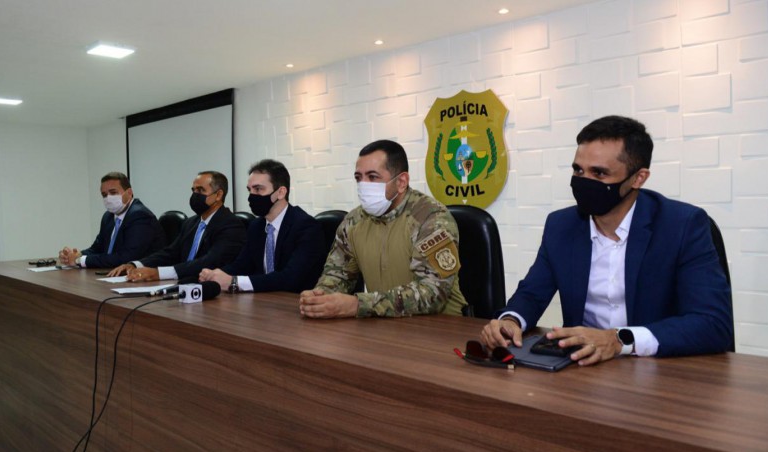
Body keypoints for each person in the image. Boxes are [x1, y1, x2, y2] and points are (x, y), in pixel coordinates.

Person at [480, 115, 733, 364]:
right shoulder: (561, 225)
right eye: (578, 170)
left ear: (638, 178)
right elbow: (532, 294)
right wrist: (510, 321)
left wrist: (618, 340)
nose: (584, 182)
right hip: (581, 367)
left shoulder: (682, 226)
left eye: (599, 173)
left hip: (660, 369)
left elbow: (713, 324)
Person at [299, 139, 467, 318]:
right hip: (383, 324)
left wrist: (358, 305)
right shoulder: (354, 221)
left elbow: (433, 293)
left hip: (441, 325)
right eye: (358, 178)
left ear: (401, 182)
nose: (363, 185)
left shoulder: (431, 217)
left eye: (372, 177)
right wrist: (321, 297)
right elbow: (338, 274)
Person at [199, 160, 326, 293]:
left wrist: (234, 282)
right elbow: (242, 265)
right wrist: (215, 275)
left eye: (258, 189)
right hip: (262, 298)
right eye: (250, 190)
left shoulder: (306, 226)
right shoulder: (256, 225)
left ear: (281, 192)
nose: (252, 196)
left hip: (294, 300)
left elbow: (290, 278)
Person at [108, 171, 246, 282]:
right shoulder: (191, 223)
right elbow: (171, 253)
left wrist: (157, 273)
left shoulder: (231, 225)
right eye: (193, 190)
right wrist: (136, 264)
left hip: (211, 290)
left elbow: (209, 261)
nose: (195, 195)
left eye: (200, 190)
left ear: (219, 195)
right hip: (182, 284)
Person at [58, 172, 166, 268]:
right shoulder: (108, 217)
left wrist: (80, 260)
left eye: (113, 193)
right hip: (112, 273)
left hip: (145, 277)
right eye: (104, 195)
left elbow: (127, 258)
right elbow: (97, 248)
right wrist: (77, 255)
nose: (108, 198)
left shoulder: (140, 215)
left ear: (129, 193)